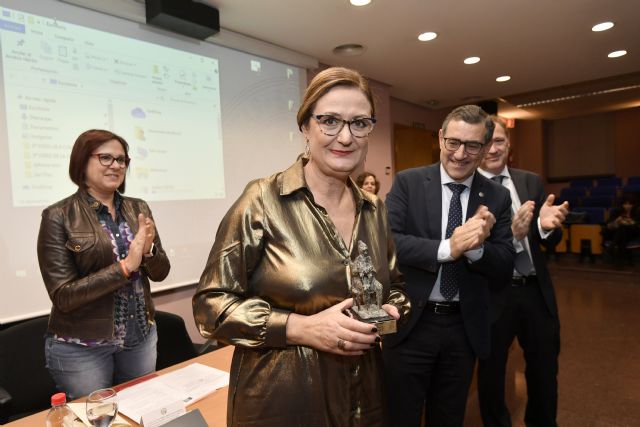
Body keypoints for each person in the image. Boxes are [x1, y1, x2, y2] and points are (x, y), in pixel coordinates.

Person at [193, 67, 410, 427]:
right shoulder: (262, 200)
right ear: (305, 127)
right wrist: (299, 328)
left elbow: (398, 287)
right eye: (329, 121)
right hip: (283, 404)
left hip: (363, 398)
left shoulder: (374, 209)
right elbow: (210, 307)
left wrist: (390, 311)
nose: (345, 136)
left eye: (359, 123)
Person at [382, 105, 515, 427]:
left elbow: (505, 263)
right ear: (440, 138)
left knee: (449, 416)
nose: (460, 154)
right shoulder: (408, 183)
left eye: (472, 146)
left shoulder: (497, 196)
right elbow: (388, 242)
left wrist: (476, 249)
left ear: (484, 149)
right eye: (453, 142)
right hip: (411, 323)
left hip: (463, 328)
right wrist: (449, 247)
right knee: (400, 416)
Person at [37, 129, 171, 399]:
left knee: (141, 411)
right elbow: (63, 296)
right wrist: (124, 268)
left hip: (139, 338)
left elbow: (161, 272)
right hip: (83, 346)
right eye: (106, 158)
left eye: (122, 160)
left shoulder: (138, 208)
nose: (116, 166)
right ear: (82, 162)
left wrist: (149, 252)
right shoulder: (58, 216)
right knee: (98, 420)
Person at [476, 116, 569, 427]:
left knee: (544, 371)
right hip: (492, 295)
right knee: (491, 375)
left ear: (509, 143)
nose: (492, 149)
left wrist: (546, 227)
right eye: (485, 142)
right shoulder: (466, 190)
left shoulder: (530, 181)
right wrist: (511, 237)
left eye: (498, 141)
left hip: (534, 292)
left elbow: (553, 240)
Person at [603, 196, 639, 267]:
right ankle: (620, 260)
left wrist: (631, 222)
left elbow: (637, 226)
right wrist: (617, 221)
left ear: (633, 205)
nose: (628, 206)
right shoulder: (617, 211)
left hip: (632, 233)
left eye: (630, 204)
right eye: (625, 204)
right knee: (622, 230)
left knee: (623, 229)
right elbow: (608, 224)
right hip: (619, 233)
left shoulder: (636, 213)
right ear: (622, 204)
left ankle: (612, 247)